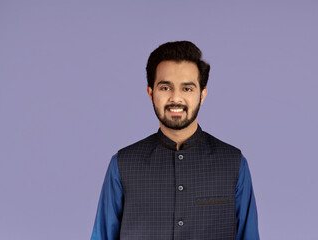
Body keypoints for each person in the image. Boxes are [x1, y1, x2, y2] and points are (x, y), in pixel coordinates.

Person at [91, 41, 259, 240]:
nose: (175, 98)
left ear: (202, 94)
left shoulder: (233, 163)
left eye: (187, 89)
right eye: (165, 88)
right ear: (151, 93)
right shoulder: (123, 164)